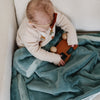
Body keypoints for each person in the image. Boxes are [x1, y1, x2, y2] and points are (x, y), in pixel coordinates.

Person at [16, 0, 78, 66]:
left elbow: (64, 21)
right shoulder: (28, 34)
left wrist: (72, 35)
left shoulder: (50, 15)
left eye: (52, 22)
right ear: (33, 24)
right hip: (30, 48)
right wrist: (54, 58)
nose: (50, 27)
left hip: (46, 39)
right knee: (32, 63)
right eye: (46, 26)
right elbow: (36, 51)